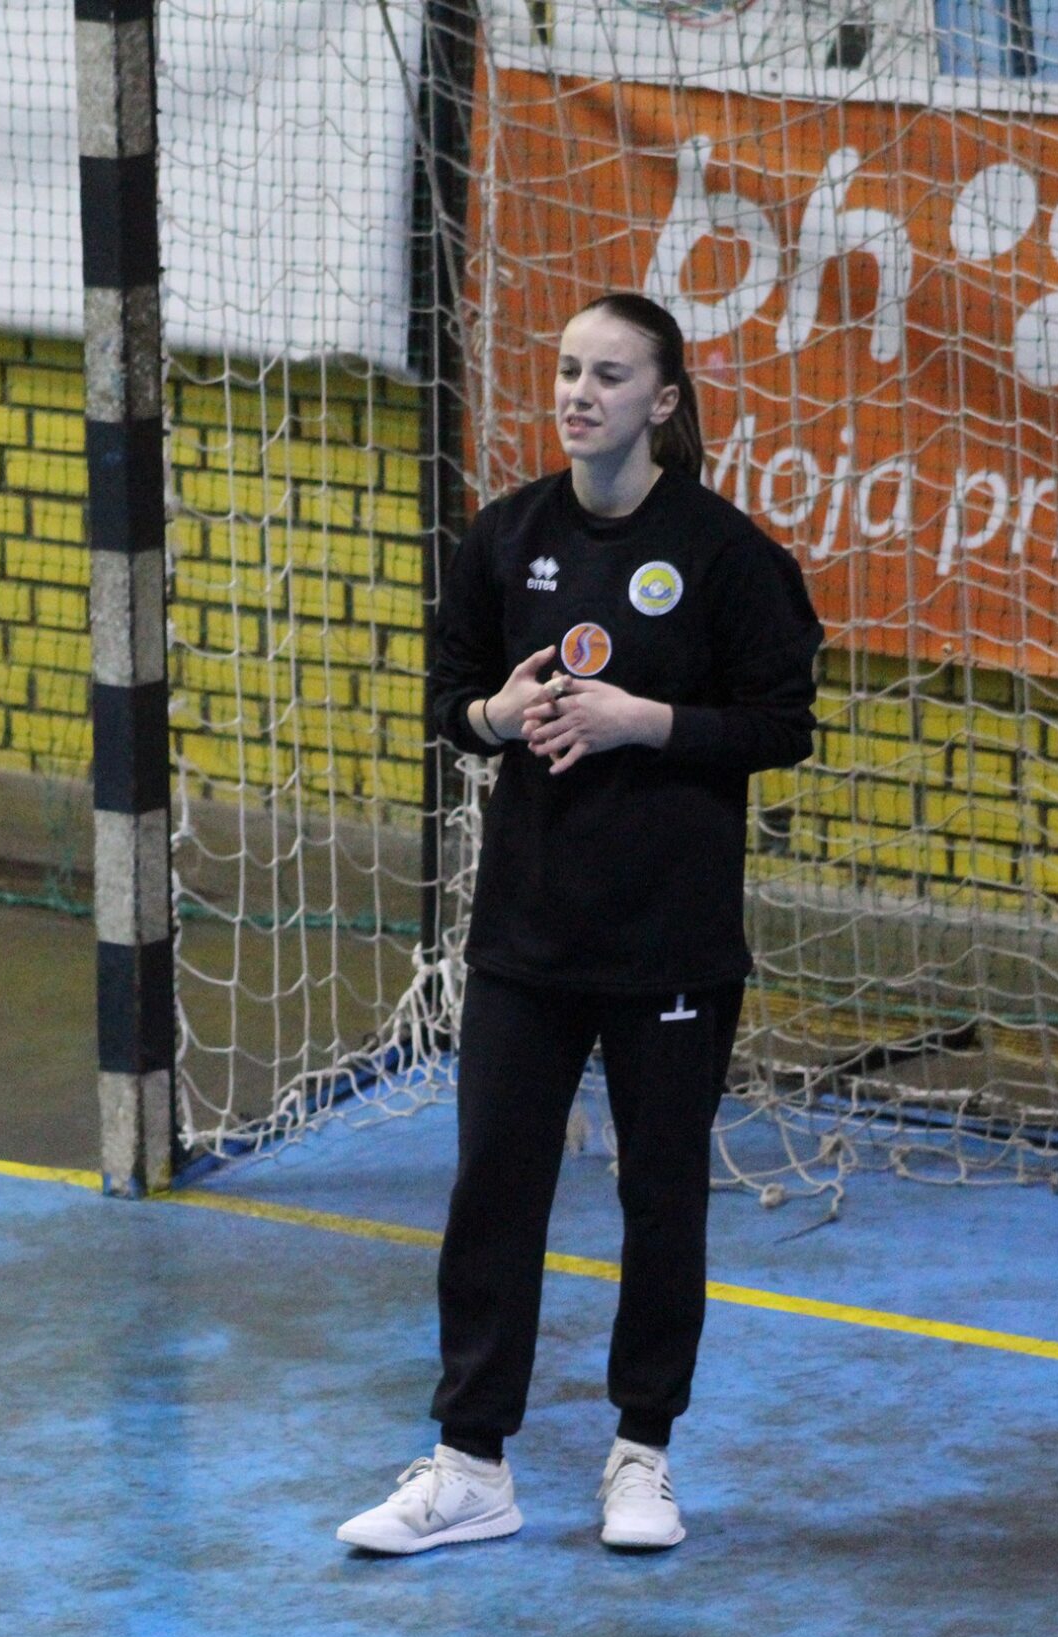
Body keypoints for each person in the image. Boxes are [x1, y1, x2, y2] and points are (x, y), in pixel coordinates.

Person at [336, 292, 823, 1555]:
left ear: (662, 402)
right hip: (525, 938)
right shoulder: (506, 537)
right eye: (566, 371)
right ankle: (469, 1467)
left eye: (608, 376)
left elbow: (782, 725)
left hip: (669, 942)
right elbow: (450, 699)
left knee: (661, 1200)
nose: (578, 394)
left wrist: (640, 721)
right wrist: (494, 717)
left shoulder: (723, 554)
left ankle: (641, 1455)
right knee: (493, 1193)